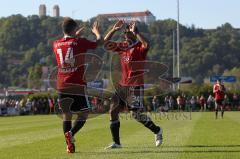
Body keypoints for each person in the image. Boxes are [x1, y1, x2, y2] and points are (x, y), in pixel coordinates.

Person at [103, 20, 163, 149]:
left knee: (136, 115)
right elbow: (105, 43)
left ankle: (157, 131)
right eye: (124, 32)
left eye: (128, 31)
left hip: (135, 85)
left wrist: (137, 33)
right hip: (122, 85)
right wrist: (113, 29)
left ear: (133, 34)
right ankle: (117, 142)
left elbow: (147, 44)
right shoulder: (122, 46)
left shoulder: (139, 47)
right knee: (112, 111)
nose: (125, 34)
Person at [53, 17, 102, 153]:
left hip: (62, 84)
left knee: (66, 116)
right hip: (77, 84)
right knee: (84, 114)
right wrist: (97, 32)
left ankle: (69, 145)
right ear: (74, 29)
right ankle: (71, 134)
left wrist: (75, 35)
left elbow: (68, 44)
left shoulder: (56, 44)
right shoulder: (79, 42)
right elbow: (99, 42)